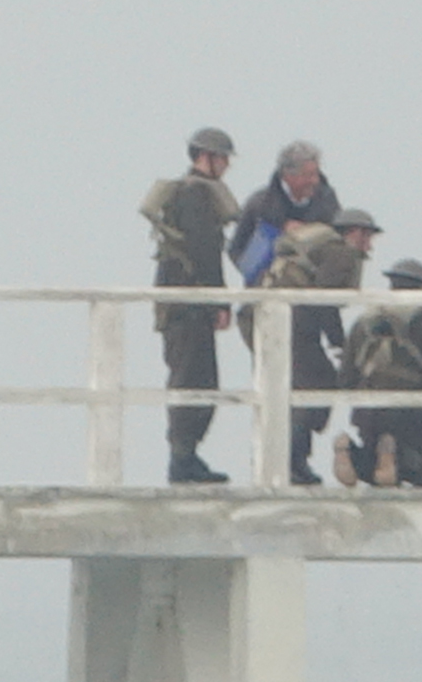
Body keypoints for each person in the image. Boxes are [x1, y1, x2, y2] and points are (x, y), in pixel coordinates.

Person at [142, 127, 241, 484]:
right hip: (188, 304)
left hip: (186, 302)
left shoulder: (191, 193)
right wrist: (220, 299)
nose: (227, 165)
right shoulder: (195, 196)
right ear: (206, 157)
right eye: (223, 157)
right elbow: (204, 253)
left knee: (198, 380)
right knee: (193, 380)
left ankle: (187, 456)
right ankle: (182, 459)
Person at [260, 207, 377, 484]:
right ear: (354, 233)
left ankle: (295, 460)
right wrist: (340, 343)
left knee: (306, 385)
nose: (369, 244)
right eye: (366, 236)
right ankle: (293, 461)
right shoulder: (342, 253)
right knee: (316, 382)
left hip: (279, 320)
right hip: (294, 322)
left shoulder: (323, 248)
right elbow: (324, 300)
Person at [333, 258, 422, 488]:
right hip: (412, 412)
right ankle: (389, 453)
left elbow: (346, 378)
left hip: (368, 413)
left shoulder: (365, 320)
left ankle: (350, 453)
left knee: (377, 466)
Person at [227, 141, 340, 288]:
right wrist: (259, 276)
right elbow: (236, 249)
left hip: (315, 296)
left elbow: (340, 243)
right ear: (287, 176)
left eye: (316, 174)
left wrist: (310, 233)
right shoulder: (259, 205)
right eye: (308, 175)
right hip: (268, 294)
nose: (314, 181)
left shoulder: (327, 202)